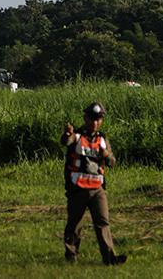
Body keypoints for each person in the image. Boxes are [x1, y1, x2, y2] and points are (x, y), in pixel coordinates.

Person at [61, 102, 127, 265]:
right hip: (78, 189)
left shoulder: (103, 139)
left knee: (103, 223)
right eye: (92, 119)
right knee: (75, 224)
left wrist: (106, 155)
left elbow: (112, 162)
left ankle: (110, 258)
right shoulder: (76, 135)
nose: (95, 123)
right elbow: (66, 141)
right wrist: (67, 133)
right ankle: (72, 256)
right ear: (85, 118)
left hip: (97, 189)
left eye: (99, 119)